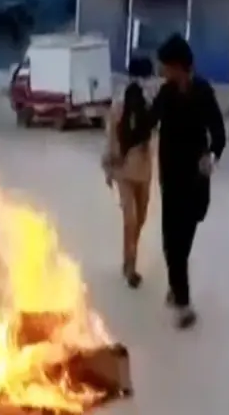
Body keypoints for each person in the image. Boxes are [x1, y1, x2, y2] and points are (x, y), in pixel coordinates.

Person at [130, 34, 226, 329]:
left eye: (165, 66)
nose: (162, 71)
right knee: (171, 243)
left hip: (195, 180)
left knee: (182, 242)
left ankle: (177, 288)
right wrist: (135, 106)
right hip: (170, 179)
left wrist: (212, 155)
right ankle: (183, 303)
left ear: (179, 66)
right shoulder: (166, 93)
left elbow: (219, 133)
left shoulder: (203, 92)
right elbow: (146, 125)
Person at [102, 55, 157, 289]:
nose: (145, 83)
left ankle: (129, 255)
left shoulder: (150, 105)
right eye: (143, 78)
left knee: (140, 219)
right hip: (123, 169)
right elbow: (111, 136)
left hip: (144, 171)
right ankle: (130, 266)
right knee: (130, 219)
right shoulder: (120, 105)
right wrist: (108, 167)